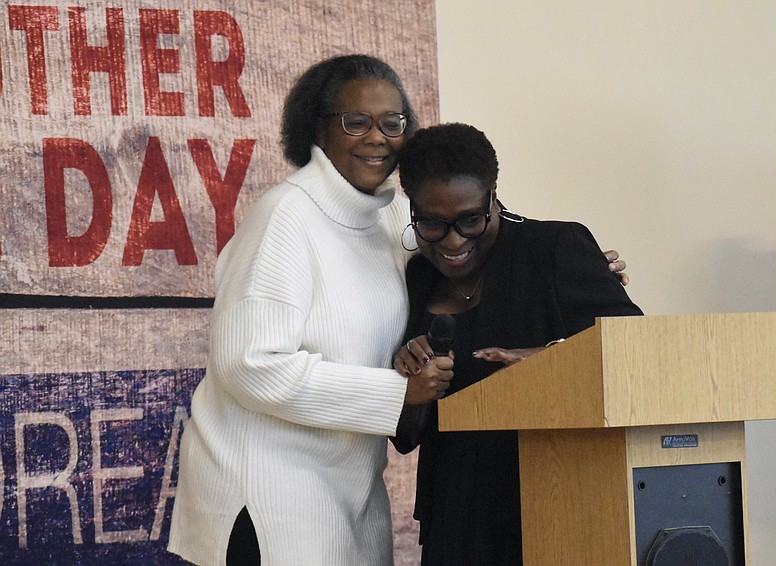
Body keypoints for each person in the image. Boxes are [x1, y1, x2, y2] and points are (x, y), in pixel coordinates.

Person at [167, 54, 454, 566]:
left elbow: (464, 248)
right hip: (271, 493)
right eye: (356, 122)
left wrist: (562, 262)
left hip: (351, 489)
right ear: (317, 129)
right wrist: (398, 392)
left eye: (393, 123)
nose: (378, 138)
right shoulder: (286, 216)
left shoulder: (392, 216)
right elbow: (249, 365)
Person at [391, 123, 643, 566]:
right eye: (432, 223)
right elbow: (406, 438)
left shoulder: (554, 248)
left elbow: (637, 353)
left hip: (556, 505)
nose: (453, 241)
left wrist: (551, 358)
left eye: (471, 219)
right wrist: (409, 383)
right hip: (455, 515)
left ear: (493, 195)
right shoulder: (416, 277)